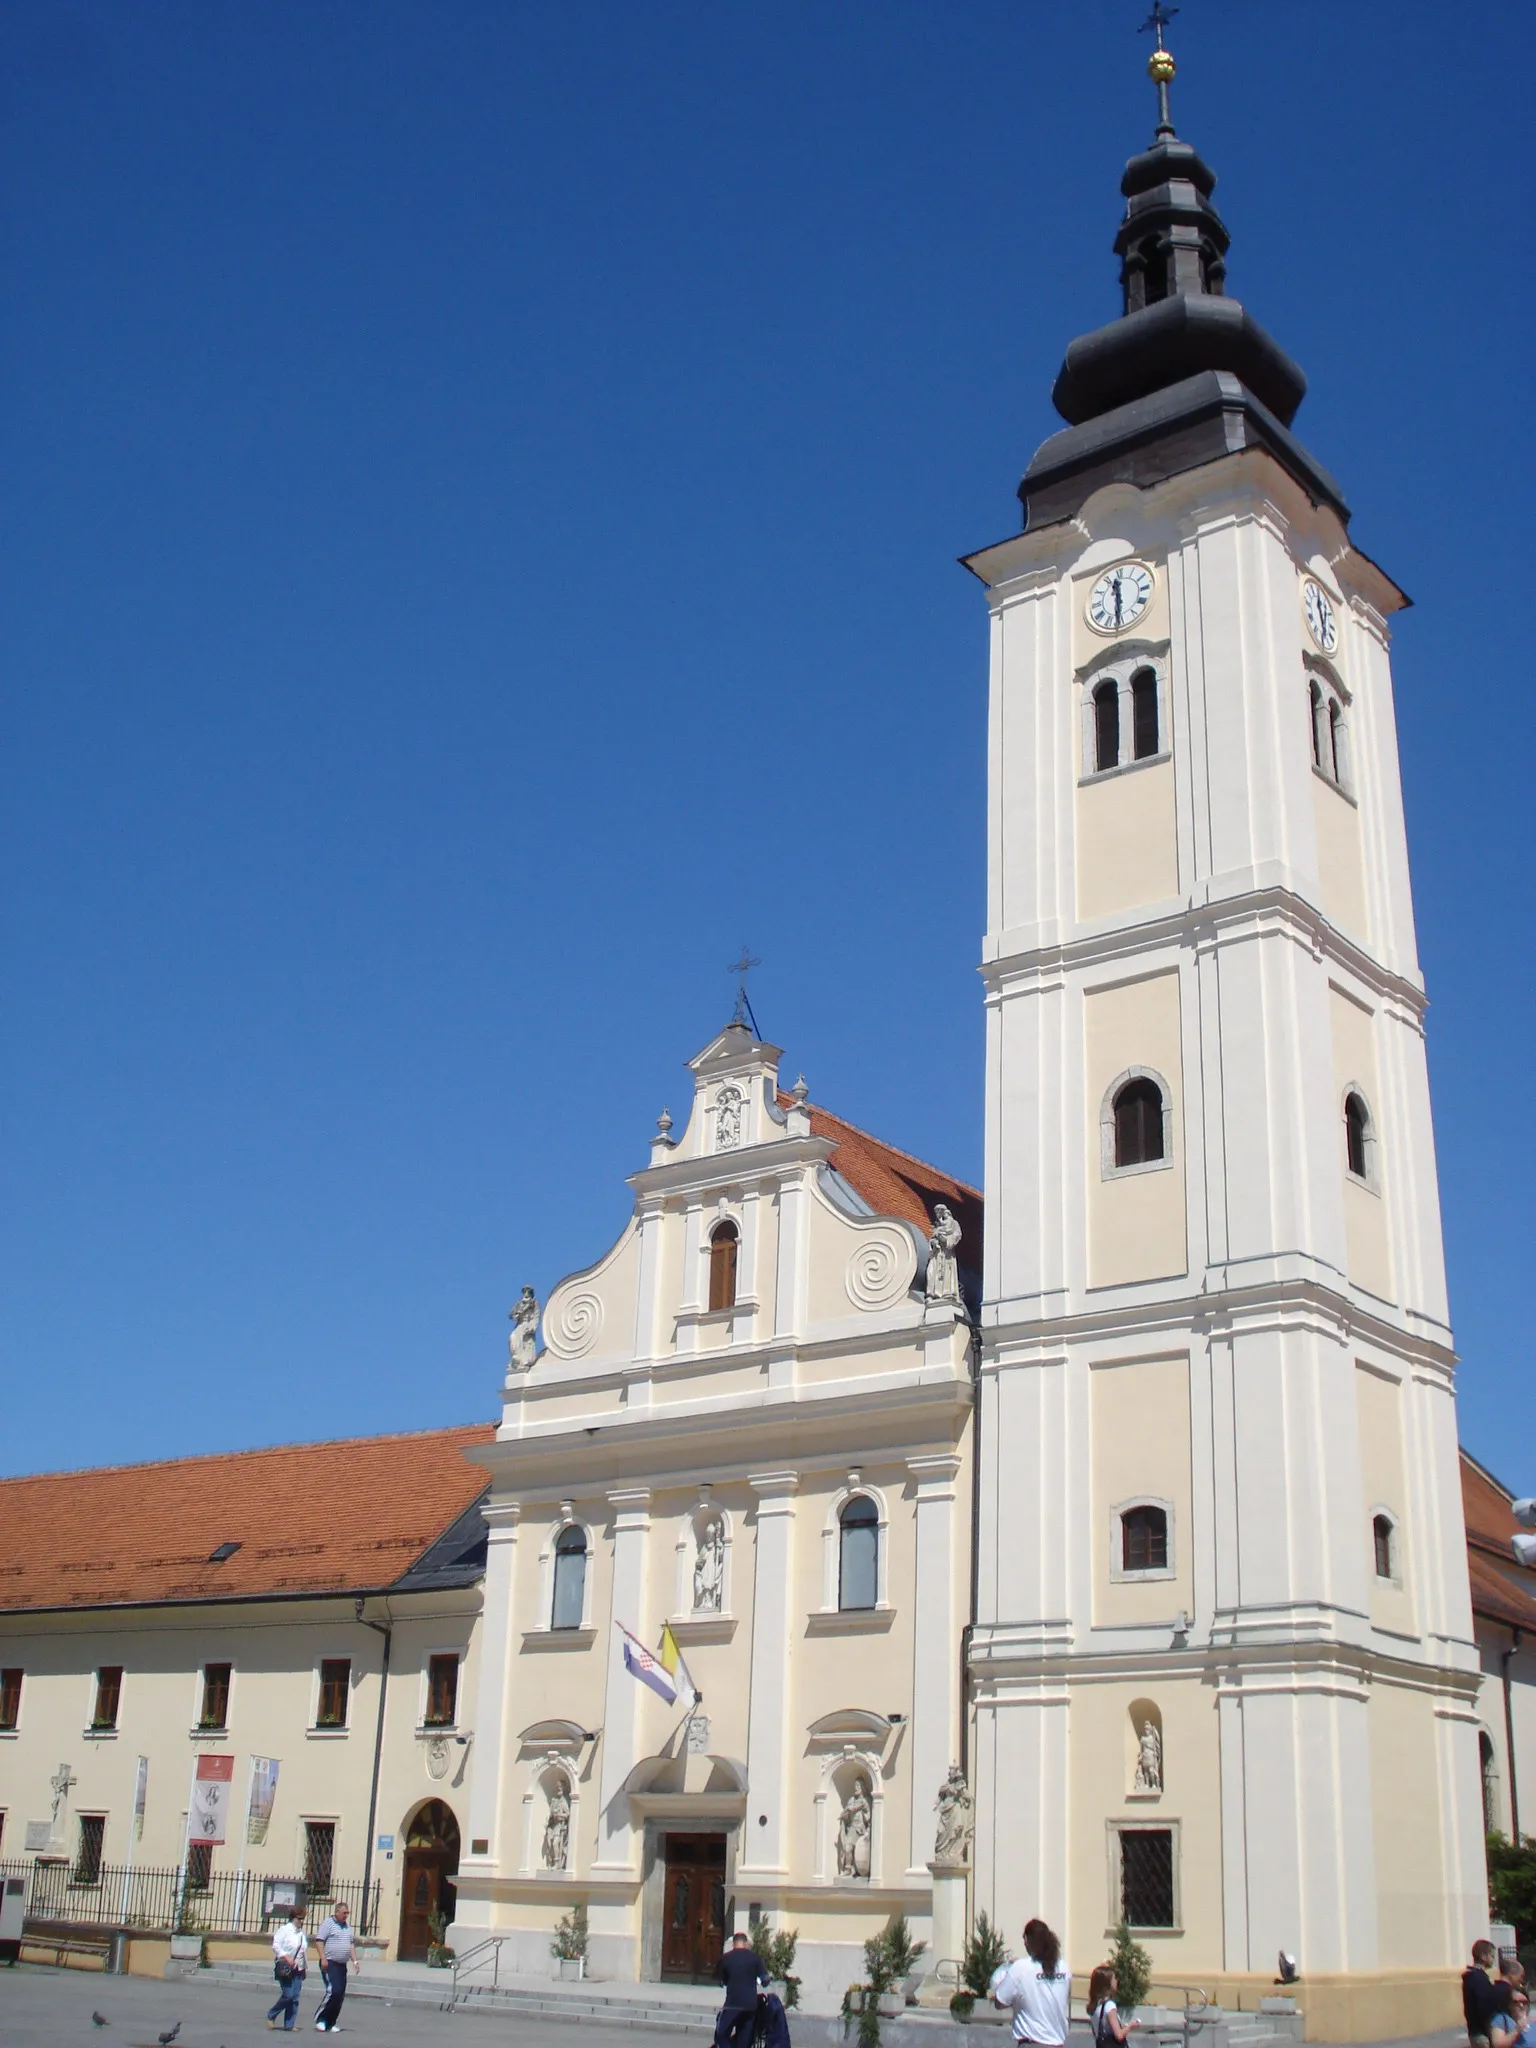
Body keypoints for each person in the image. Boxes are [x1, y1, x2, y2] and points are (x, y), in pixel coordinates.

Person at [991, 1919, 1071, 2048]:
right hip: (1058, 2043)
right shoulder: (1064, 1967)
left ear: (1027, 1940)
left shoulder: (1021, 1967)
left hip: (1032, 2042)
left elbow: (1000, 2002)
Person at [715, 1930, 768, 2048]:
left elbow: (723, 1980)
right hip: (750, 2005)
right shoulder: (755, 1958)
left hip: (732, 2003)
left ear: (733, 1944)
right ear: (746, 1943)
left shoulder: (726, 1958)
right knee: (745, 2037)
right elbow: (765, 1980)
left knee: (722, 2033)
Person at [312, 1900, 358, 2033]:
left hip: (341, 1965)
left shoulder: (347, 1928)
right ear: (336, 1912)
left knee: (340, 1995)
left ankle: (331, 2022)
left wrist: (355, 1961)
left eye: (347, 1913)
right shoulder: (328, 1924)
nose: (346, 1916)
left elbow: (351, 1945)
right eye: (344, 1913)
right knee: (333, 1990)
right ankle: (321, 2018)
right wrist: (323, 1958)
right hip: (330, 1963)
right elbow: (320, 1941)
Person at [267, 1907, 308, 2032]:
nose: (301, 1921)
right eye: (299, 1919)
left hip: (298, 1968)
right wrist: (286, 1956)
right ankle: (272, 2014)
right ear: (293, 1918)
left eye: (303, 1919)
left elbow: (302, 1952)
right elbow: (276, 1946)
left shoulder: (301, 1934)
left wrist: (304, 1968)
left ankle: (289, 2024)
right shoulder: (284, 1930)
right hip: (285, 1967)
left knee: (295, 1997)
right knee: (288, 1995)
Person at [1466, 1941, 1513, 2048]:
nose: (1493, 1959)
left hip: (1475, 2031)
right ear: (1483, 1956)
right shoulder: (1478, 1978)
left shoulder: (1472, 1976)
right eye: (1491, 1956)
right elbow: (1483, 2006)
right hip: (1482, 2033)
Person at [1087, 1964, 1141, 2046]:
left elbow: (1096, 2032)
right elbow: (1119, 2035)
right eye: (1114, 1978)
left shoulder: (1095, 2006)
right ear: (1107, 1984)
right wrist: (1131, 2026)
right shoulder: (1109, 2006)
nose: (1116, 1981)